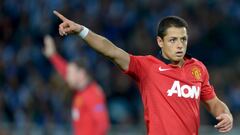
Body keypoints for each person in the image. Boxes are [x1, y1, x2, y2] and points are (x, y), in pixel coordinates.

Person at [52, 10, 233, 135]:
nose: (179, 45)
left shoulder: (198, 69)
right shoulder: (147, 67)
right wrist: (82, 31)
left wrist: (226, 114)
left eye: (183, 39)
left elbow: (213, 102)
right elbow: (111, 51)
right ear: (160, 42)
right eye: (173, 40)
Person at [43, 35, 110, 135]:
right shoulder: (80, 91)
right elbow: (64, 69)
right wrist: (53, 56)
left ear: (81, 74)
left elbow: (103, 125)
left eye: (70, 73)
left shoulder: (92, 94)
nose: (67, 76)